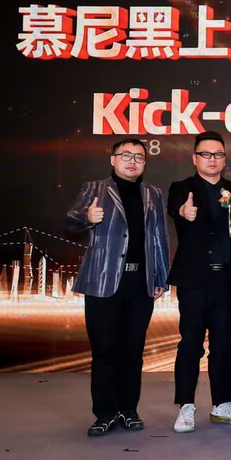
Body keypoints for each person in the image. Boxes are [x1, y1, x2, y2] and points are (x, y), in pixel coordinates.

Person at [65, 138, 169, 437]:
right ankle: (105, 413)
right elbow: (69, 222)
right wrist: (86, 218)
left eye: (139, 156)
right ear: (113, 160)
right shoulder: (93, 189)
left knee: (133, 350)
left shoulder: (152, 193)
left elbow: (159, 236)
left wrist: (160, 277)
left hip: (141, 283)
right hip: (103, 282)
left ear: (145, 163)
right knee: (105, 350)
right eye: (126, 155)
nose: (132, 161)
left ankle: (129, 409)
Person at [168, 131, 231, 433]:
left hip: (227, 280)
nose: (212, 159)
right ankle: (186, 405)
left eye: (218, 154)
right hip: (194, 280)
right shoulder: (181, 188)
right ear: (194, 158)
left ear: (225, 159)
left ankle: (222, 404)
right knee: (191, 344)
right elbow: (175, 209)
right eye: (206, 154)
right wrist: (184, 212)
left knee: (223, 345)